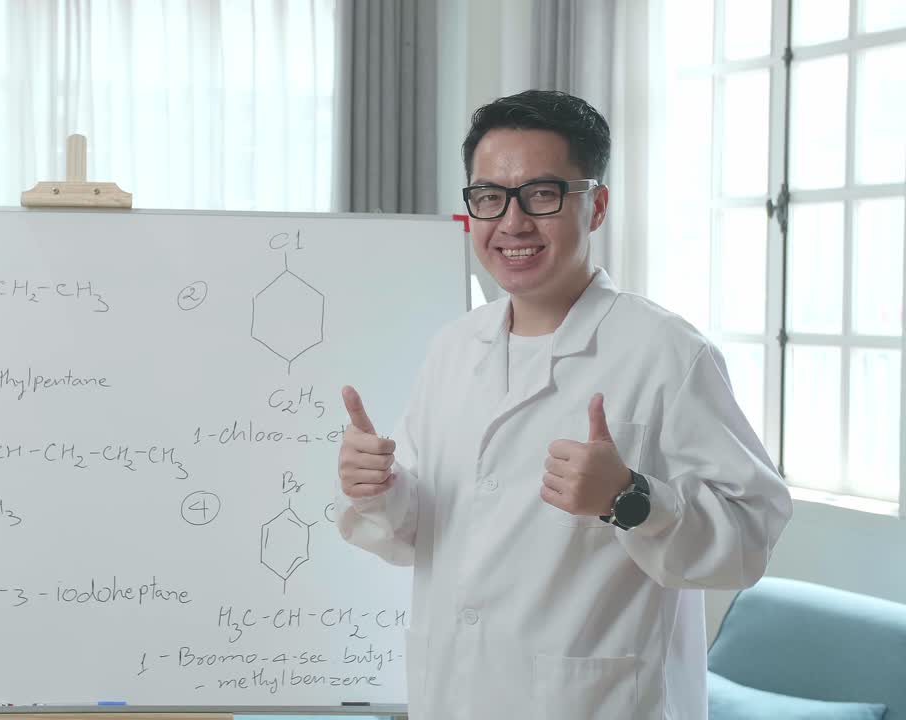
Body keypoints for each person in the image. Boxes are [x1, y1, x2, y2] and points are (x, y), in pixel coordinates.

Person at [335, 90, 793, 720]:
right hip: (453, 696)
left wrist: (630, 498)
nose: (512, 223)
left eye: (542, 195)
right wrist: (379, 490)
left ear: (596, 205)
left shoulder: (664, 351)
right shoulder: (453, 348)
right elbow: (424, 529)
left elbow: (749, 536)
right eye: (489, 197)